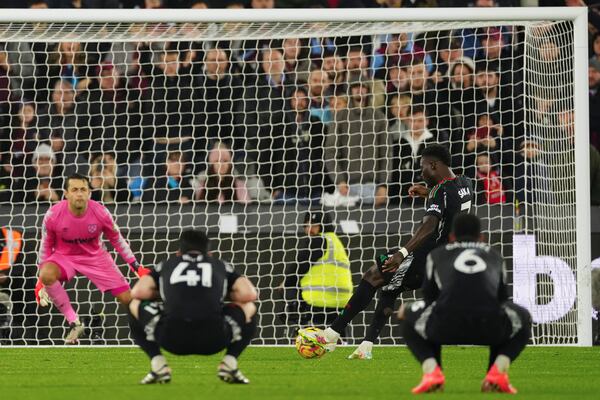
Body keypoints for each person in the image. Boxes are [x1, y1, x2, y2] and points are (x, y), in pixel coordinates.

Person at [323, 144, 474, 359]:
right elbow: (450, 204)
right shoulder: (465, 183)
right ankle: (366, 346)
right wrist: (428, 194)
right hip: (445, 259)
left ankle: (332, 333)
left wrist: (402, 253)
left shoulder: (442, 191)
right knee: (390, 289)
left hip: (426, 256)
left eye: (423, 167)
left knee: (374, 274)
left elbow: (429, 225)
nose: (421, 172)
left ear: (433, 164)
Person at [398, 213, 531, 394]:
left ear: (452, 237)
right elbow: (502, 300)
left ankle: (432, 373)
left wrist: (408, 309)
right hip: (489, 328)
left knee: (407, 316)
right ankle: (497, 373)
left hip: (445, 327)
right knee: (524, 316)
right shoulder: (495, 256)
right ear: (481, 237)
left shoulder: (436, 255)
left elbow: (429, 299)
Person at [128, 230, 258, 384]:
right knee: (249, 306)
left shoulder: (167, 264)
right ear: (209, 253)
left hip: (171, 340)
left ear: (178, 253)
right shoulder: (220, 265)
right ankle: (229, 363)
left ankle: (158, 365)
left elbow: (138, 292)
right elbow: (250, 294)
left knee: (134, 304)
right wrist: (220, 293)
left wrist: (167, 292)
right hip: (215, 340)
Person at [34, 174, 148, 344]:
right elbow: (45, 246)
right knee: (47, 274)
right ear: (66, 194)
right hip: (64, 257)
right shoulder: (53, 214)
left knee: (128, 299)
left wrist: (136, 266)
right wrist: (40, 279)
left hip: (96, 257)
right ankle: (75, 322)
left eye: (83, 189)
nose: (79, 194)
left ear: (89, 193)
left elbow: (117, 239)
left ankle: (149, 333)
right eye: (74, 190)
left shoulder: (101, 212)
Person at [280, 211, 353, 332]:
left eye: (313, 225)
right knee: (335, 340)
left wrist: (285, 284)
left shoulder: (318, 240)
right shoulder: (335, 241)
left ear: (323, 225)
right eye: (306, 225)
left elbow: (297, 269)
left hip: (318, 302)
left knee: (311, 343)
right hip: (343, 303)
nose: (309, 229)